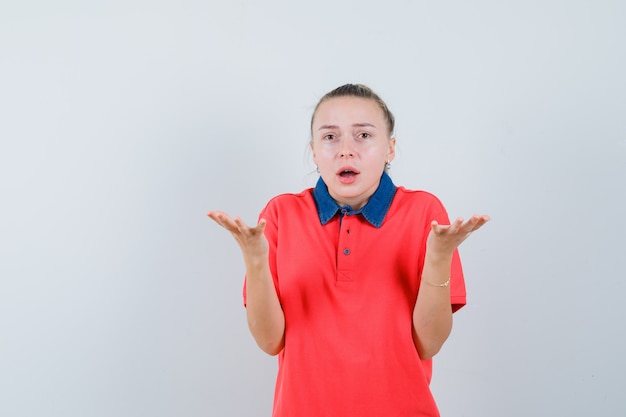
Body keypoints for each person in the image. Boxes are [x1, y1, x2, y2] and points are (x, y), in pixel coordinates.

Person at [207, 83, 490, 417]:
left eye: (363, 136)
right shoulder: (281, 215)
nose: (345, 150)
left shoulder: (424, 214)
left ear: (391, 149)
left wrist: (439, 257)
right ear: (314, 151)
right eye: (330, 137)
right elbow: (270, 341)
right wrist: (255, 260)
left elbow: (429, 343)